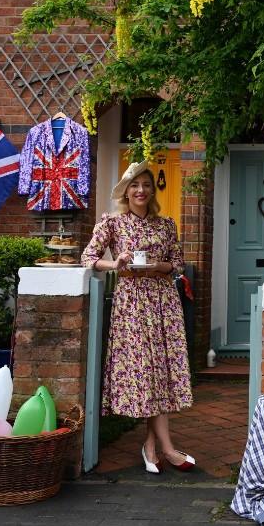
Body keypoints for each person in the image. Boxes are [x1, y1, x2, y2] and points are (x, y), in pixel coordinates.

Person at [82, 161, 195, 474]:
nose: (141, 190)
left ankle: (150, 446)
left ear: (152, 190)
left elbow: (179, 263)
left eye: (146, 184)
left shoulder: (166, 225)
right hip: (132, 306)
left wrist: (163, 268)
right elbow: (88, 258)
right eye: (134, 185)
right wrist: (115, 263)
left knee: (160, 374)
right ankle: (168, 449)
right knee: (146, 373)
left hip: (164, 304)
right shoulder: (113, 223)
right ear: (126, 192)